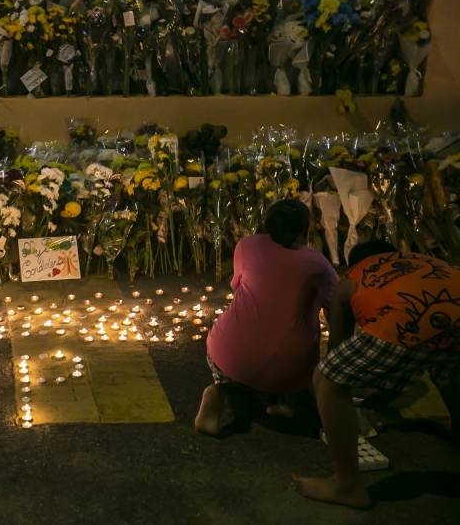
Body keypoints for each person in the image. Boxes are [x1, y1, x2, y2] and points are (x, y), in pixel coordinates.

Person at [294, 241, 460, 508]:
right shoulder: (424, 261)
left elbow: (338, 353)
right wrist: (387, 393)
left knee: (326, 378)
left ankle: (346, 486)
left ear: (352, 264)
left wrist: (337, 403)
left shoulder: (352, 279)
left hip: (409, 324)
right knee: (447, 365)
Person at [195, 199, 339, 435]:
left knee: (243, 329)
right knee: (287, 348)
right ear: (305, 229)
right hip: (293, 369)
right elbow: (336, 310)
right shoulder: (319, 265)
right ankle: (277, 400)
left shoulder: (247, 246)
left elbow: (238, 287)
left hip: (231, 355)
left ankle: (220, 391)